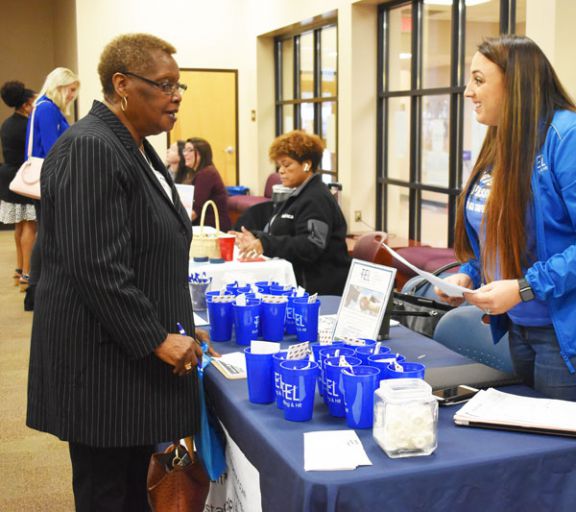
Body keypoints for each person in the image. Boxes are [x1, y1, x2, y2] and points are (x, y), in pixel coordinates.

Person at [26, 33, 217, 511]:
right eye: (165, 84)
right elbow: (97, 266)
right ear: (122, 85)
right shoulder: (91, 147)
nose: (176, 96)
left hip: (124, 365)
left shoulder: (132, 145)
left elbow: (140, 251)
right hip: (99, 369)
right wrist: (157, 338)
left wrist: (179, 324)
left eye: (180, 86)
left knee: (134, 491)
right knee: (108, 494)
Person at [435, 35, 576, 405]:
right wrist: (470, 274)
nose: (468, 91)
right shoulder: (503, 140)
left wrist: (522, 288)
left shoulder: (575, 139)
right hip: (523, 324)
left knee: (559, 451)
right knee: (531, 444)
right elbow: (500, 237)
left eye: (479, 79)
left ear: (515, 81)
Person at [234, 130, 351, 295]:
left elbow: (310, 246)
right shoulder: (297, 195)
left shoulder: (316, 199)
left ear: (307, 165)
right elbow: (280, 231)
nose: (281, 171)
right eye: (279, 166)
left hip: (316, 290)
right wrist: (256, 237)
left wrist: (264, 244)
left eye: (287, 165)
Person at [23, 67, 79, 305]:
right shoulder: (46, 109)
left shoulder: (48, 108)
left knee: (46, 231)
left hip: (48, 177)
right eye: (71, 90)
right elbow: (52, 148)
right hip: (49, 179)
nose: (73, 95)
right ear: (60, 86)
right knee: (46, 232)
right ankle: (35, 289)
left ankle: (36, 288)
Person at [0, 81, 37, 288]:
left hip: (7, 177)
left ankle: (19, 270)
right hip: (23, 178)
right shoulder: (27, 126)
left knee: (19, 226)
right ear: (25, 105)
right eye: (33, 103)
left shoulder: (6, 123)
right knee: (30, 227)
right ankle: (27, 275)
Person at [182, 136, 231, 230]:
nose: (185, 154)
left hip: (213, 230)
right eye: (185, 150)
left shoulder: (207, 174)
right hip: (204, 227)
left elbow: (194, 212)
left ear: (201, 153)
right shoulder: (198, 173)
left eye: (189, 150)